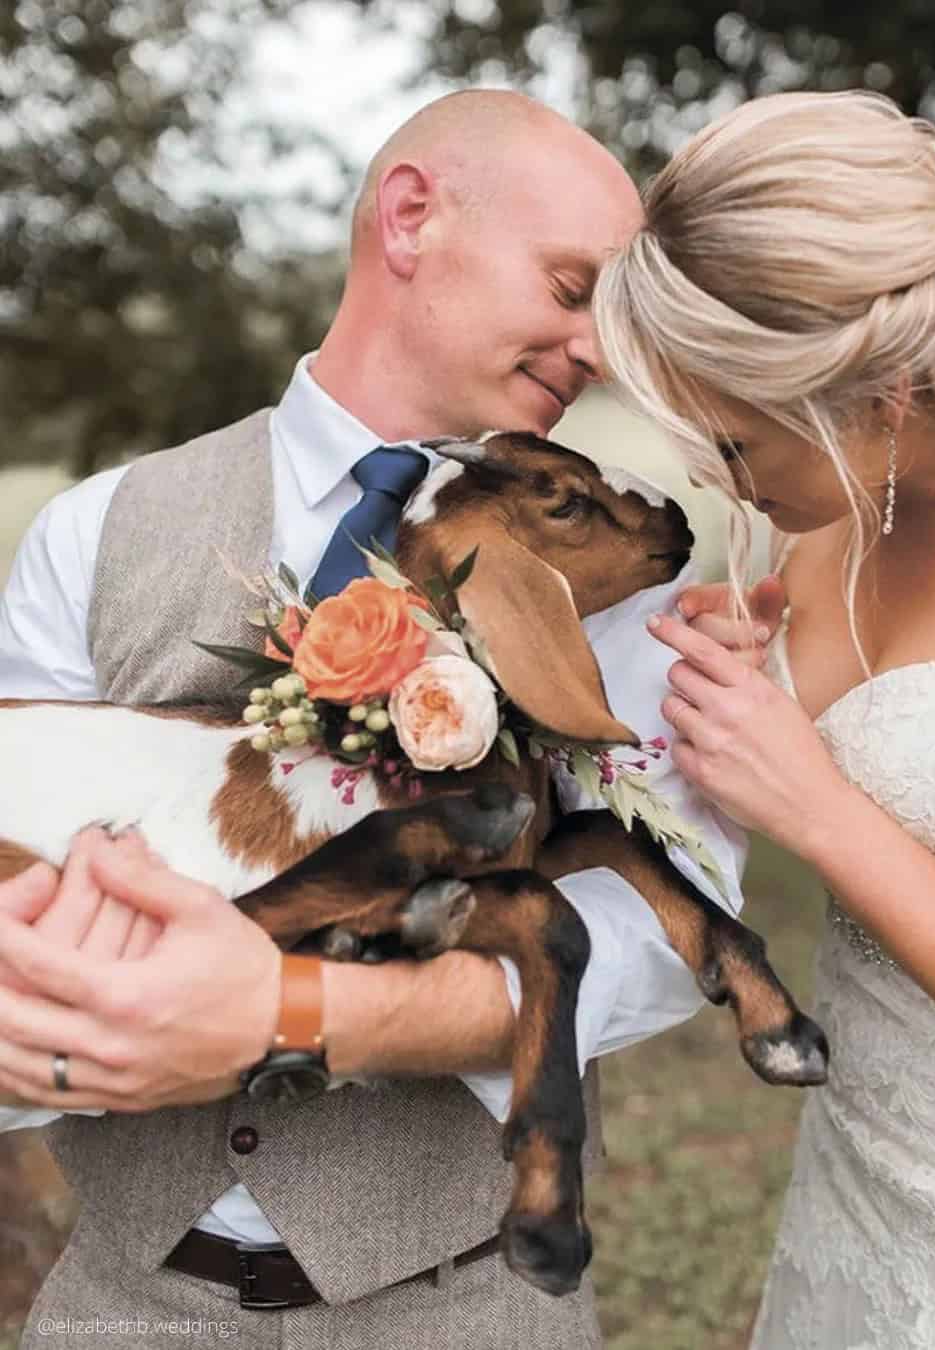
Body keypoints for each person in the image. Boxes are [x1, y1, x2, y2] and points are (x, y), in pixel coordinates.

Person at [0, 90, 758, 1349]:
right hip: (125, 1307)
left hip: (470, 1305)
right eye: (573, 289)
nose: (598, 350)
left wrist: (309, 1015)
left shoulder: (620, 574)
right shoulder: (92, 533)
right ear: (412, 218)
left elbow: (667, 920)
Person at [592, 89, 935, 1349]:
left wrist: (814, 804)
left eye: (739, 446)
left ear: (885, 393)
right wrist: (750, 670)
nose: (715, 478)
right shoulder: (842, 516)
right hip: (857, 1192)